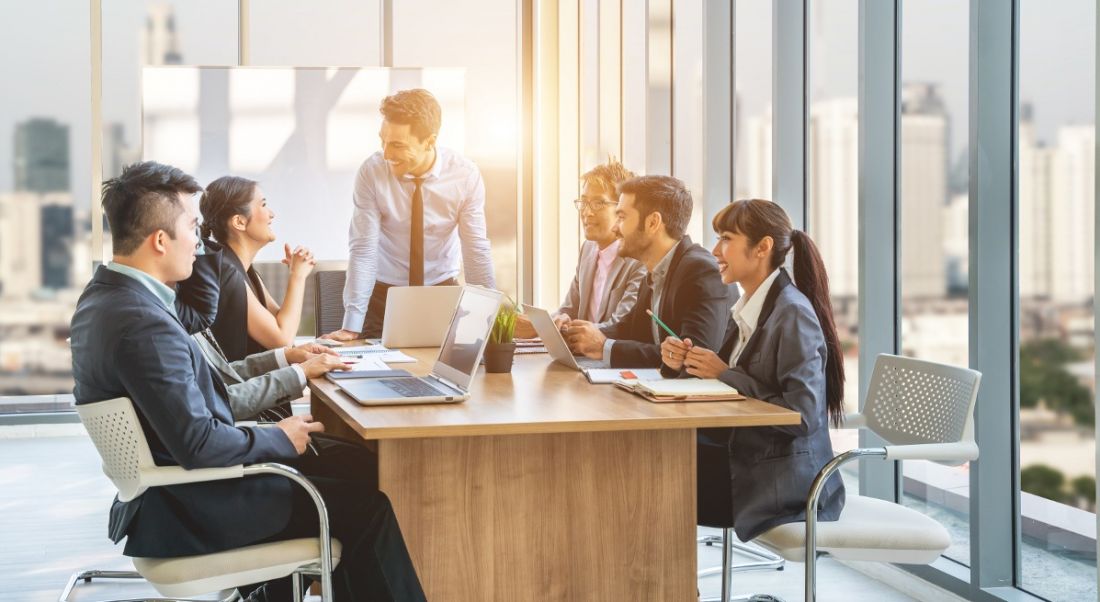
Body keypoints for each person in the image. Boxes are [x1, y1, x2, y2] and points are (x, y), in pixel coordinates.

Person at [70, 161, 426, 602]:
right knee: (368, 505)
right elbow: (198, 443)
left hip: (175, 493)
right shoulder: (142, 323)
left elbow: (204, 396)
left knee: (357, 463)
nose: (199, 244)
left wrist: (284, 386)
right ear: (161, 241)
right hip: (197, 505)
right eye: (192, 229)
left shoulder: (108, 299)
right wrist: (279, 436)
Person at [661, 198, 846, 542]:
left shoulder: (791, 313)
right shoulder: (750, 304)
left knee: (656, 476)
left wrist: (722, 373)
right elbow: (734, 381)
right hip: (748, 457)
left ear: (763, 247)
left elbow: (803, 415)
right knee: (654, 458)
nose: (716, 249)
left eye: (727, 238)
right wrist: (684, 364)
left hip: (779, 484)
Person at [323, 88, 496, 341]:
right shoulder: (372, 172)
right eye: (382, 141)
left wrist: (489, 317)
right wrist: (352, 324)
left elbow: (475, 249)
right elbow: (363, 249)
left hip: (441, 292)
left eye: (397, 145)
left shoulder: (464, 175)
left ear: (429, 141)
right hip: (383, 295)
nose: (386, 154)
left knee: (441, 374)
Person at [563, 175, 731, 371]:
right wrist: (578, 336)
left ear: (653, 223)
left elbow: (692, 360)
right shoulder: (656, 270)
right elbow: (630, 329)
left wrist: (604, 347)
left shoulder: (701, 271)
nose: (615, 228)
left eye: (622, 217)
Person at [514, 157, 646, 339]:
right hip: (581, 357)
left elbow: (619, 327)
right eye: (584, 202)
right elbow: (569, 309)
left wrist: (543, 328)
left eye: (598, 203)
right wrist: (547, 322)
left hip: (608, 361)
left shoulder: (639, 261)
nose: (587, 212)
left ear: (621, 208)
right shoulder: (588, 249)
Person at [199, 175, 315, 361]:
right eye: (263, 205)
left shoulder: (243, 269)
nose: (271, 214)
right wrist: (298, 277)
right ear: (239, 222)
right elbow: (282, 339)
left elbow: (283, 322)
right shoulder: (226, 272)